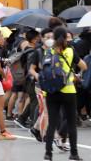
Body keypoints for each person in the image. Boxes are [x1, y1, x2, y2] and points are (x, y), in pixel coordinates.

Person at [43, 27, 87, 161]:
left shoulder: (49, 51)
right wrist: (74, 74)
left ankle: (48, 153)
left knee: (52, 123)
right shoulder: (70, 50)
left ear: (54, 38)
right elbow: (84, 66)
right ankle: (74, 153)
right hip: (68, 91)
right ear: (65, 37)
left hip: (51, 91)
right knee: (72, 123)